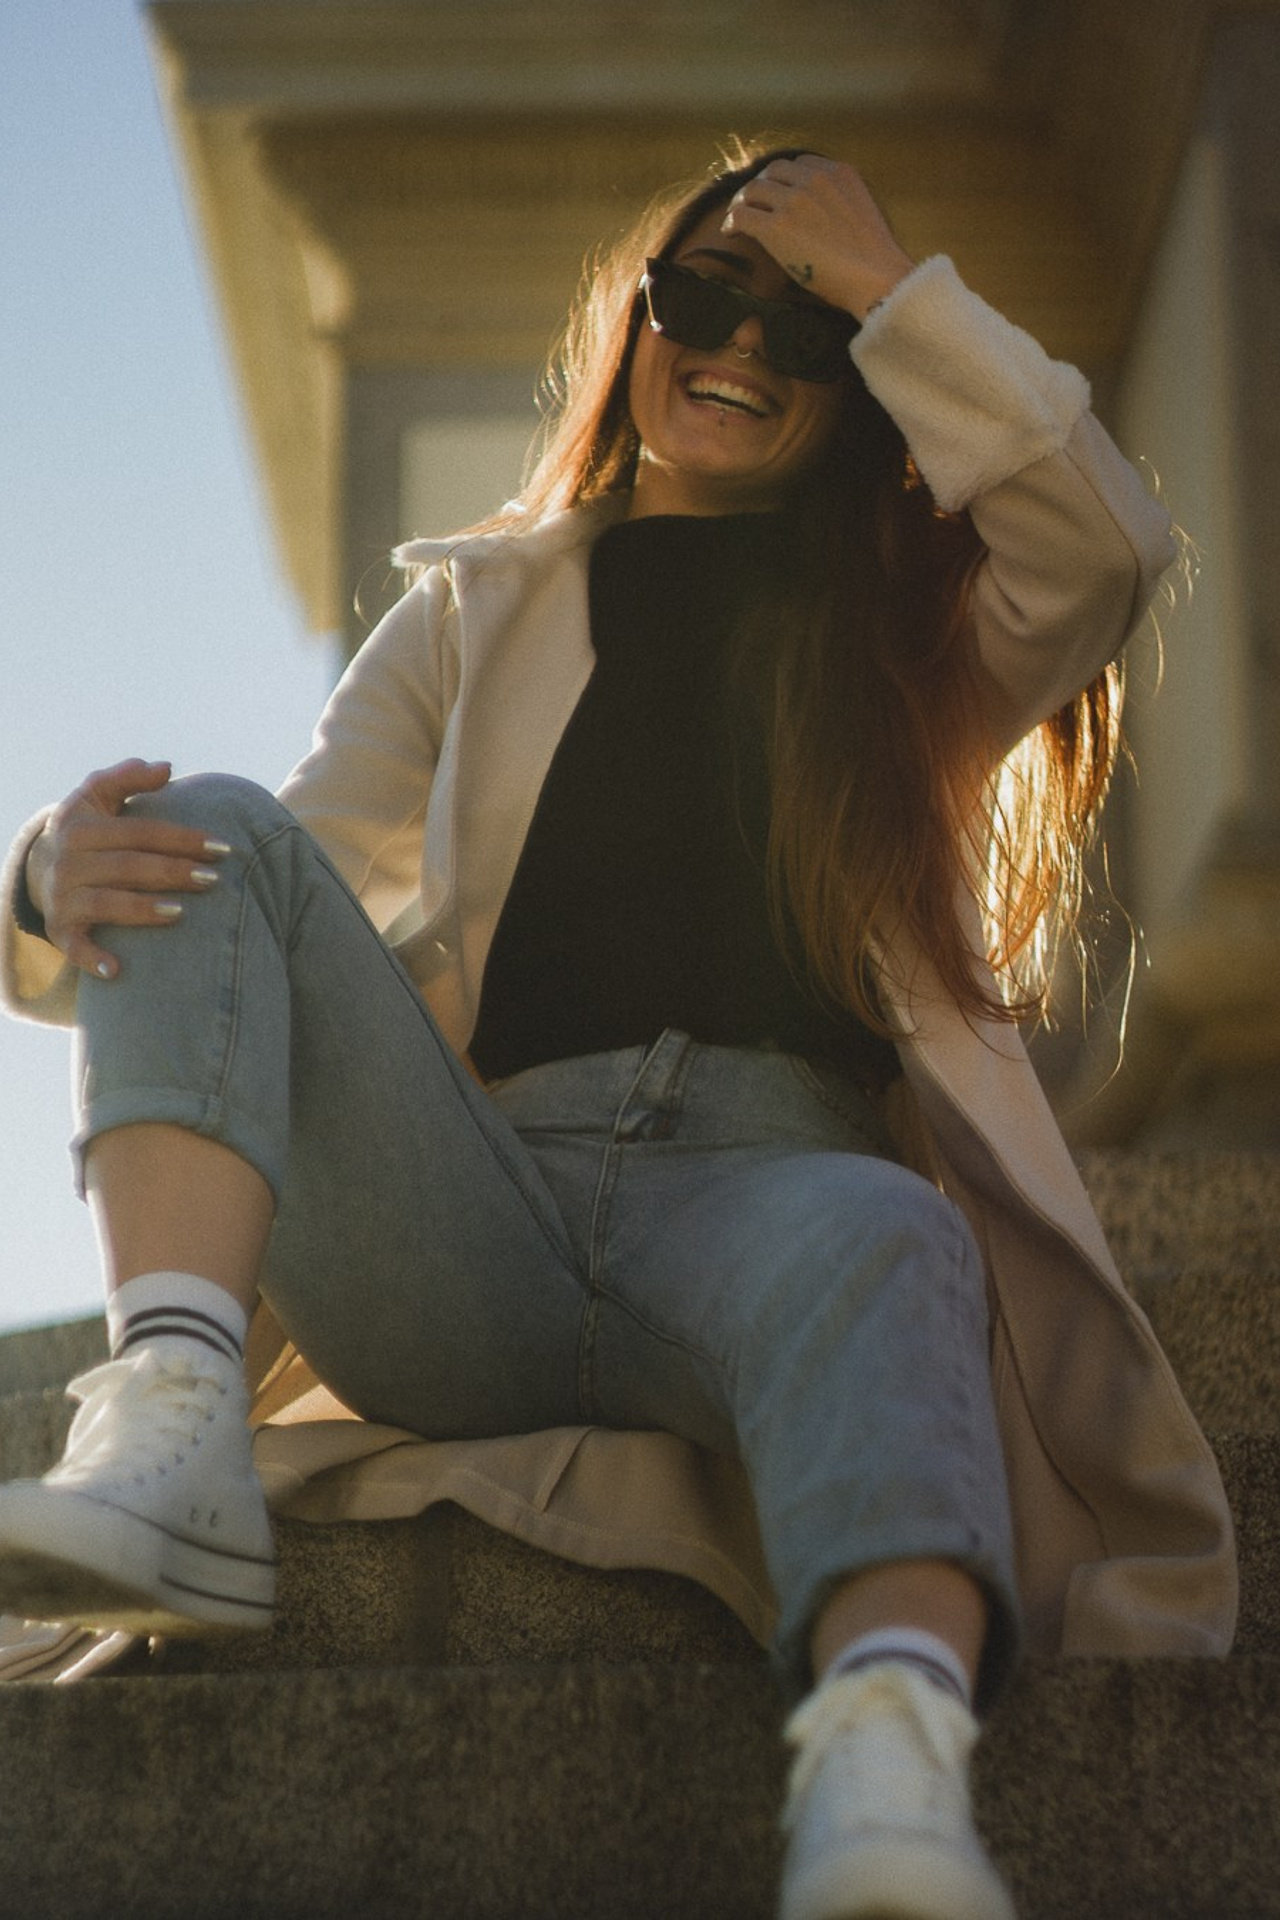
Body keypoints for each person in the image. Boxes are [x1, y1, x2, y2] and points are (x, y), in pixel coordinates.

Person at [0, 146, 1235, 1920]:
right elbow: (272, 886)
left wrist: (898, 287)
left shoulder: (917, 634)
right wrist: (43, 878)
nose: (739, 347)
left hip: (770, 1205)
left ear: (869, 384)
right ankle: (169, 1427)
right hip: (471, 1211)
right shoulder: (477, 606)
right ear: (635, 319)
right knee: (205, 824)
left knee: (896, 1235)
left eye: (808, 329)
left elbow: (1105, 546)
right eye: (701, 296)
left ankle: (889, 1781)